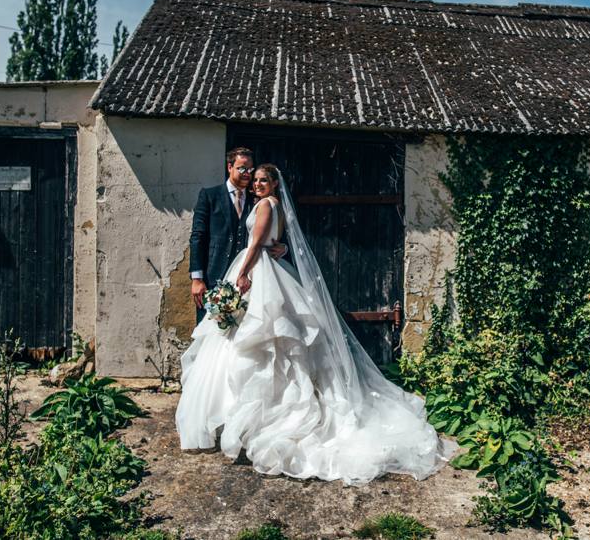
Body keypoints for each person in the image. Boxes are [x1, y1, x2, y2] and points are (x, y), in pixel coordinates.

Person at [177, 164, 455, 485]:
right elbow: (272, 241)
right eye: (254, 181)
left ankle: (260, 418)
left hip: (258, 269)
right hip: (268, 266)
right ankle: (250, 417)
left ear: (275, 184)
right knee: (264, 341)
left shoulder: (268, 205)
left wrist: (243, 273)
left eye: (263, 180)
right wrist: (269, 251)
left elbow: (255, 244)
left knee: (266, 339)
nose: (257, 185)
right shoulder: (273, 205)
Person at [188, 147, 285, 324]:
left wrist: (283, 247)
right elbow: (197, 237)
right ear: (229, 167)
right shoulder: (210, 196)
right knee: (208, 335)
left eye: (250, 169)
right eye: (242, 168)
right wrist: (197, 278)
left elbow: (269, 232)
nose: (247, 174)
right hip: (212, 277)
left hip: (246, 280)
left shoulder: (257, 199)